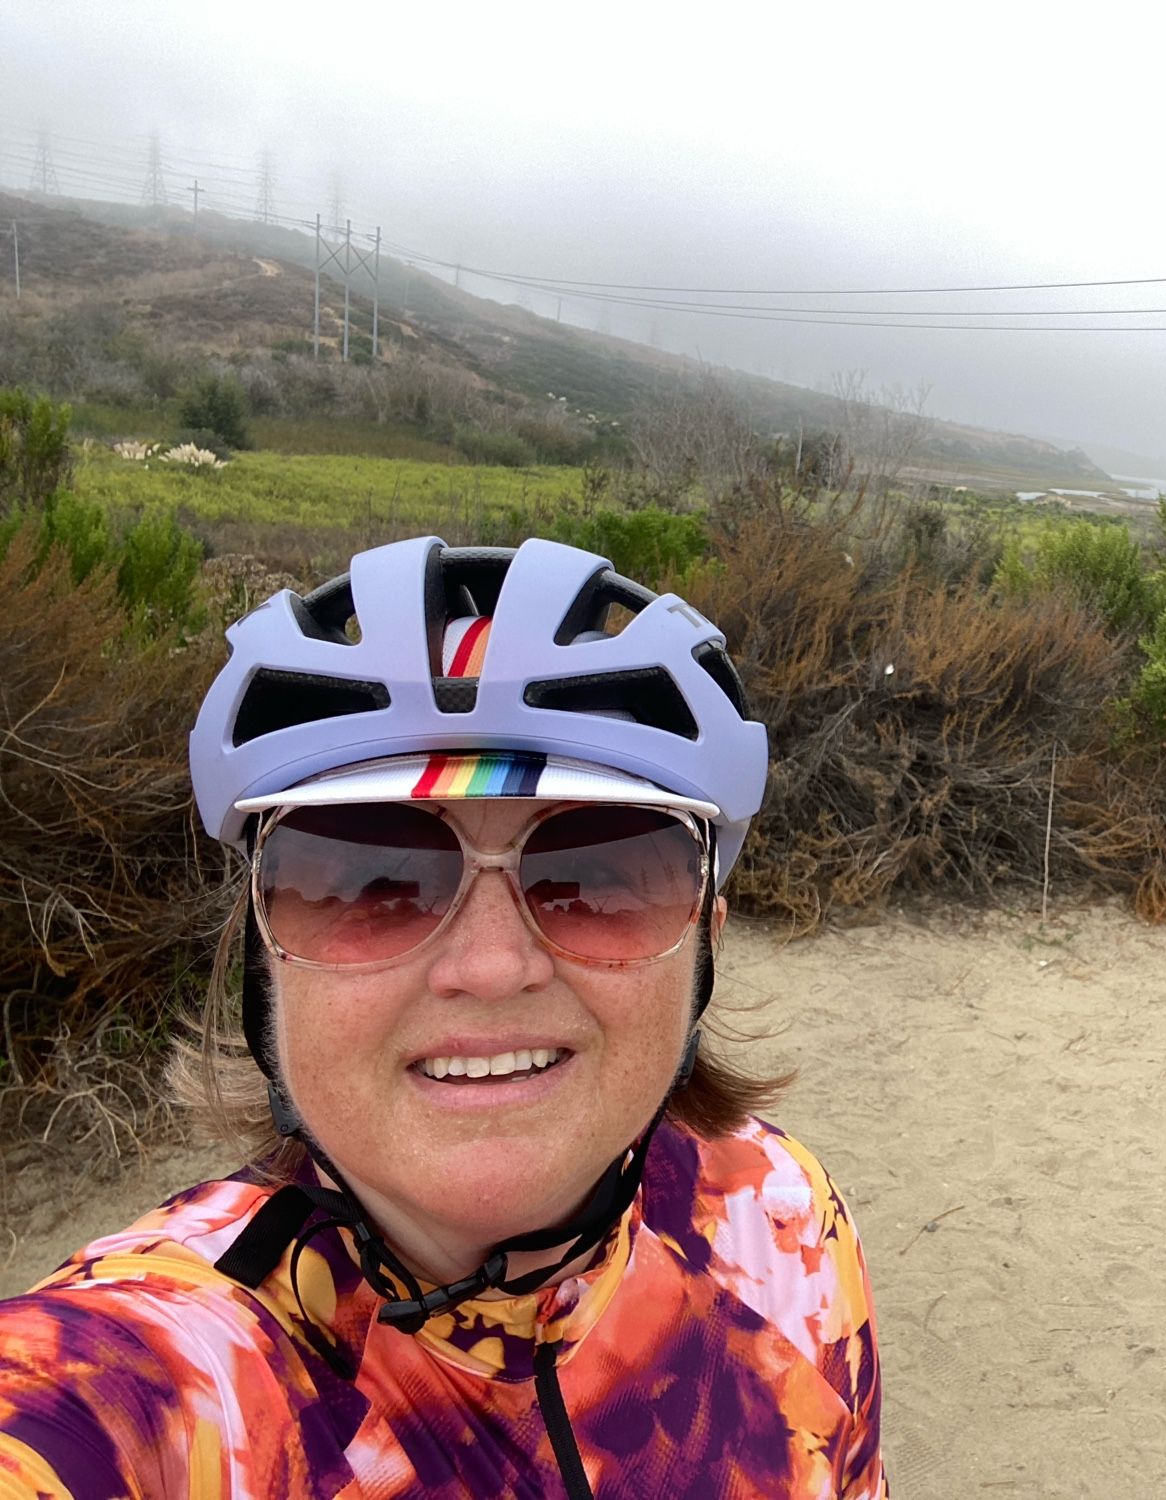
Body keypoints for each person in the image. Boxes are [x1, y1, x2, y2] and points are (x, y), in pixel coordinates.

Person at [0, 536, 885, 1498]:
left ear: (702, 941)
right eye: (372, 879)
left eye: (593, 873)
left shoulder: (783, 1217)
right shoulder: (159, 1383)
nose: (492, 965)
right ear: (261, 967)